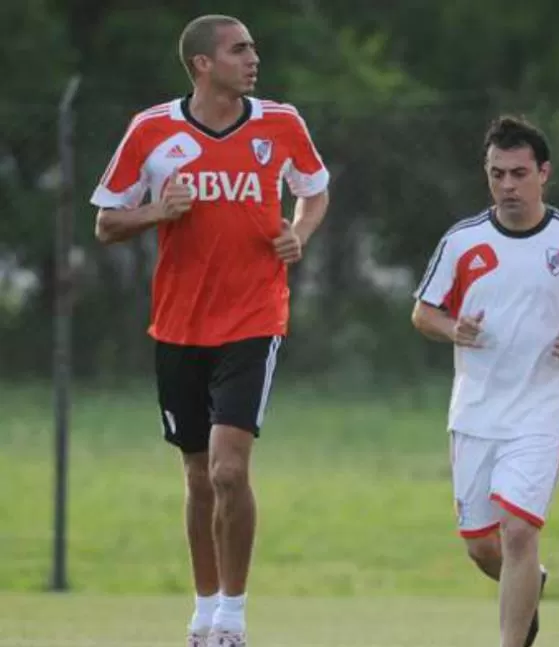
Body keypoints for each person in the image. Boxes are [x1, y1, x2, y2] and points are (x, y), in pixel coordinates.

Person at [90, 14, 331, 647]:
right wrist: (157, 211)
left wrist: (297, 234)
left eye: (253, 46)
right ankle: (203, 612)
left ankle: (234, 617)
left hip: (254, 318)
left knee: (229, 469)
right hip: (178, 324)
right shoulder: (152, 130)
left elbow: (315, 192)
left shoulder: (281, 123)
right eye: (239, 49)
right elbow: (107, 223)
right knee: (198, 474)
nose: (253, 57)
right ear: (203, 64)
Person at [412, 115, 559, 647]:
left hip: (543, 411)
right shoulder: (462, 241)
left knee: (518, 530)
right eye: (497, 174)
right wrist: (453, 327)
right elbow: (423, 313)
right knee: (481, 546)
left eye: (518, 173)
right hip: (476, 411)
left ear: (544, 173)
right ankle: (530, 585)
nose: (508, 185)